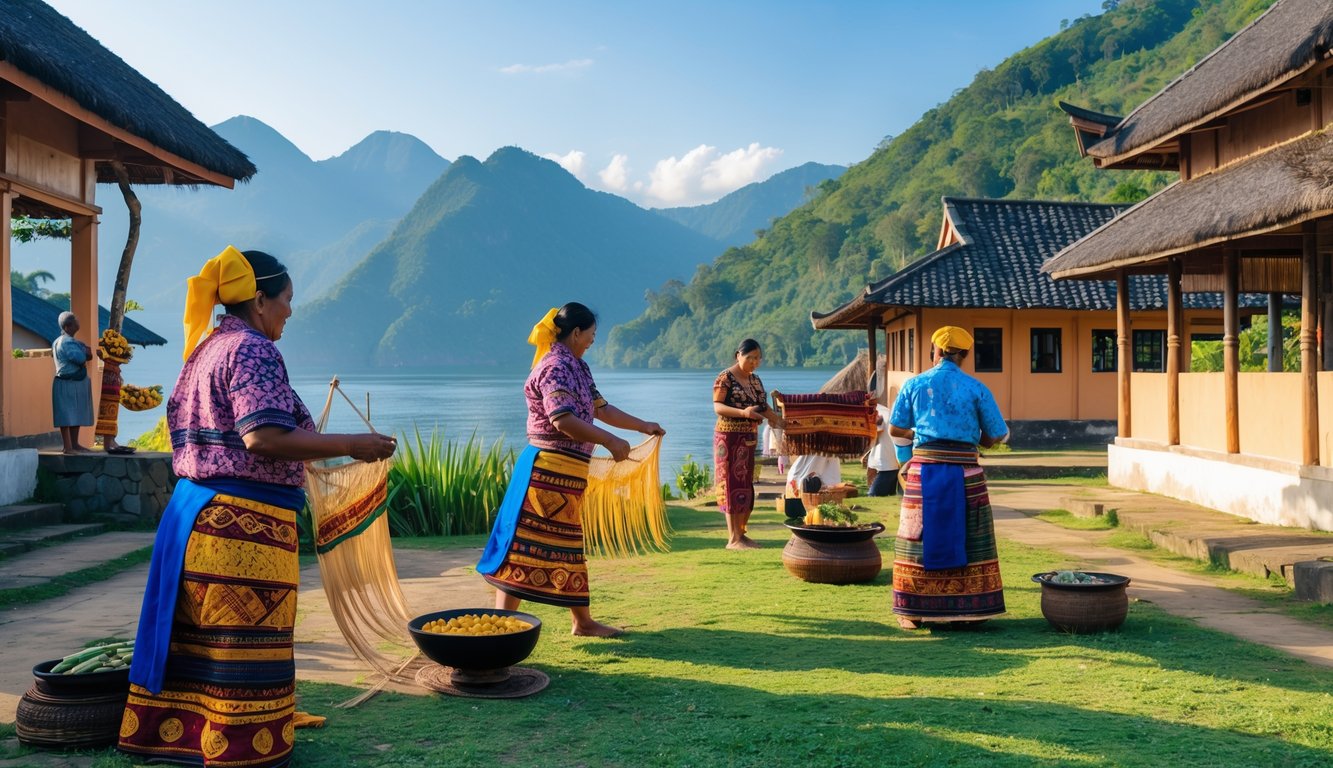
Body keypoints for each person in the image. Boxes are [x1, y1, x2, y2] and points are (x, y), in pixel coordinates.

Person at [120, 246, 396, 768]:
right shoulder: (251, 351)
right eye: (287, 299)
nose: (291, 311)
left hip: (198, 521)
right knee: (242, 645)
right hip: (242, 531)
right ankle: (244, 748)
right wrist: (351, 445)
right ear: (260, 299)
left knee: (207, 643)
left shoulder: (205, 350)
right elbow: (263, 436)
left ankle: (187, 737)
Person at [478, 303, 664, 638]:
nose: (594, 340)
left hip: (567, 475)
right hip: (545, 473)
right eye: (591, 334)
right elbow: (562, 420)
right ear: (576, 332)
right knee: (524, 547)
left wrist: (642, 426)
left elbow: (601, 409)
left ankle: (582, 622)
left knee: (568, 547)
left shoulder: (578, 366)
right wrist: (609, 441)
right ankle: (501, 627)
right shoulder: (555, 367)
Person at [888, 325, 1008, 630]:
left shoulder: (915, 384)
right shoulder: (977, 388)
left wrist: (919, 433)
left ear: (936, 351)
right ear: (964, 355)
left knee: (917, 537)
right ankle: (970, 610)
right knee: (971, 537)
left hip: (923, 470)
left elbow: (895, 427)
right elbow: (995, 435)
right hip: (966, 472)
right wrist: (976, 440)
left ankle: (912, 611)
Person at [713, 338, 783, 549]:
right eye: (749, 358)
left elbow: (762, 407)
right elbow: (718, 406)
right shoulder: (725, 378)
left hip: (749, 439)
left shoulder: (755, 380)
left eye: (757, 358)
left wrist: (779, 421)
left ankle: (742, 534)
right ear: (738, 356)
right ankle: (733, 538)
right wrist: (743, 412)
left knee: (746, 485)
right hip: (728, 438)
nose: (754, 362)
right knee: (731, 485)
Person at [51, 311, 94, 454]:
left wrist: (84, 349)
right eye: (75, 320)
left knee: (75, 413)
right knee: (67, 415)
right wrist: (84, 350)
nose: (78, 322)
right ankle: (68, 447)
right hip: (67, 382)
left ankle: (74, 444)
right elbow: (81, 358)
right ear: (68, 326)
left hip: (72, 382)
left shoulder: (60, 340)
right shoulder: (67, 342)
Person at [866, 382, 901, 497]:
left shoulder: (877, 413)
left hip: (885, 464)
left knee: (873, 495)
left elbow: (875, 433)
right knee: (888, 495)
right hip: (890, 463)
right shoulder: (884, 411)